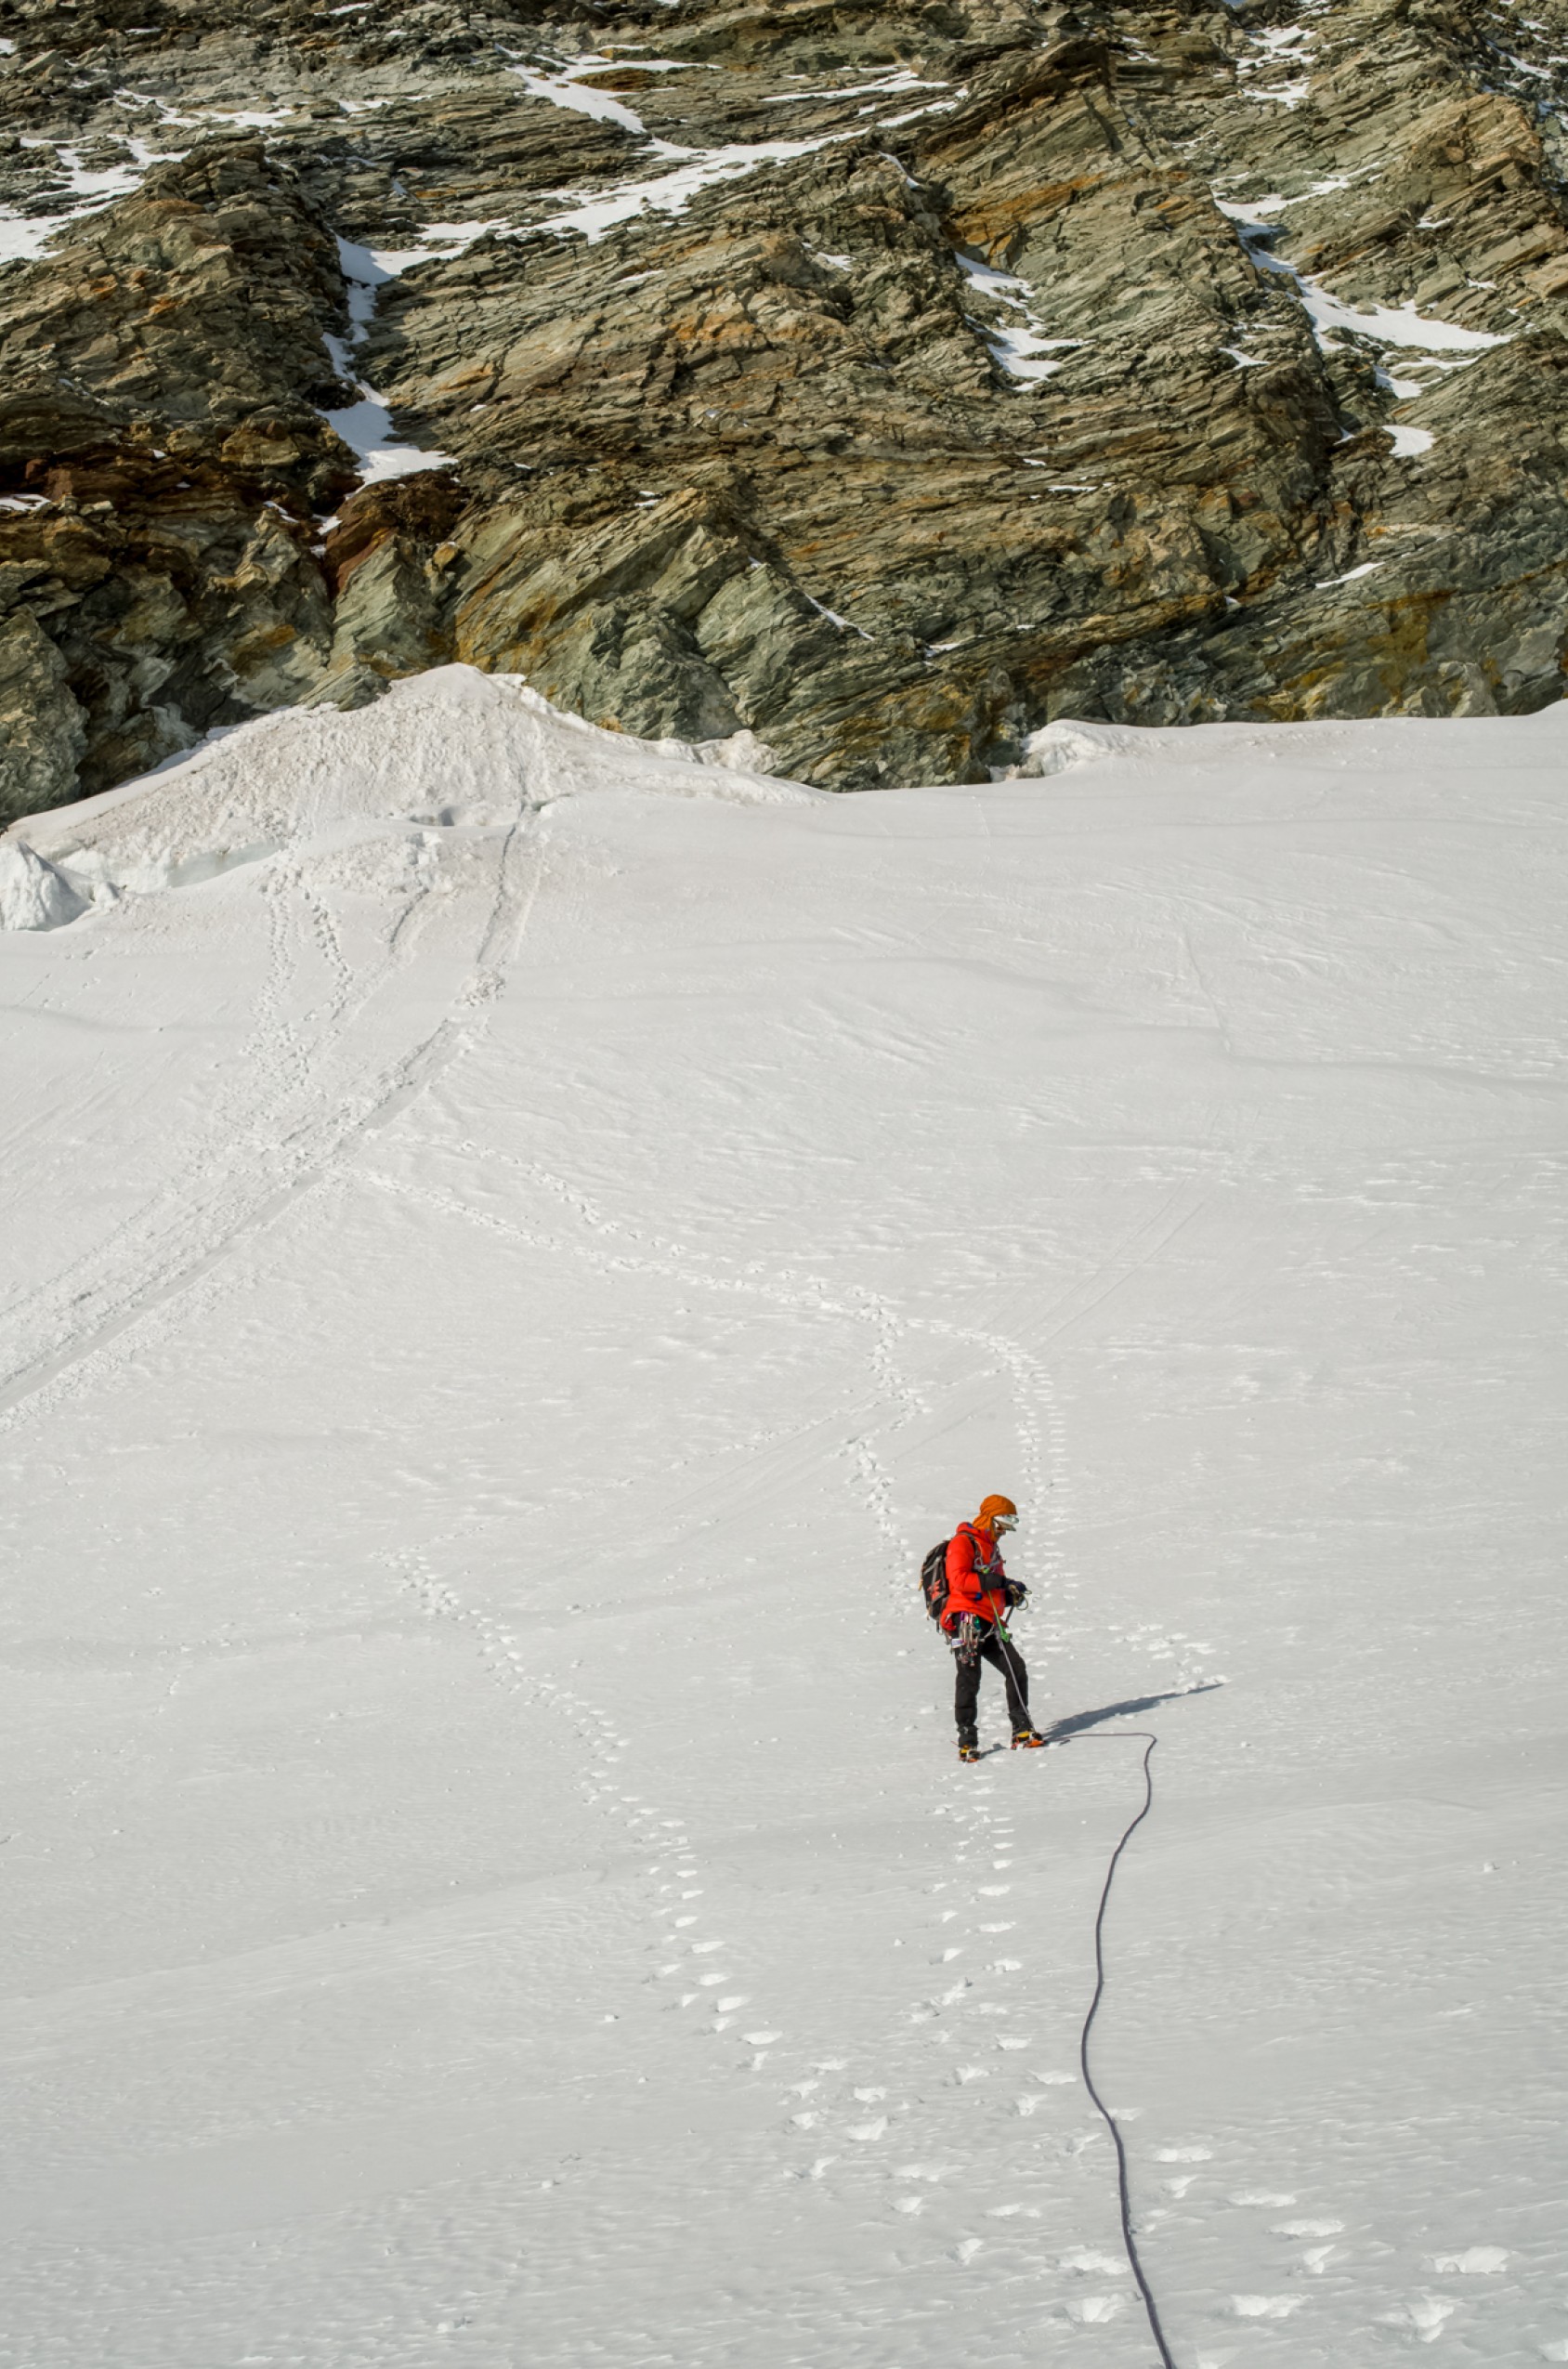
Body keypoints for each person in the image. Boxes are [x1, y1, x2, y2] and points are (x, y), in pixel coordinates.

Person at [942, 1494, 1045, 1760]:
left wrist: (1008, 1595)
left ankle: (1022, 1728)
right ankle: (967, 1740)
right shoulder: (963, 1542)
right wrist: (999, 1583)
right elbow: (959, 1580)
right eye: (1003, 1524)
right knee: (969, 1677)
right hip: (965, 1620)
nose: (1005, 1532)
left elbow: (990, 1587)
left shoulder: (991, 1549)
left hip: (989, 1620)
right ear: (991, 1519)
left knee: (1015, 1667)